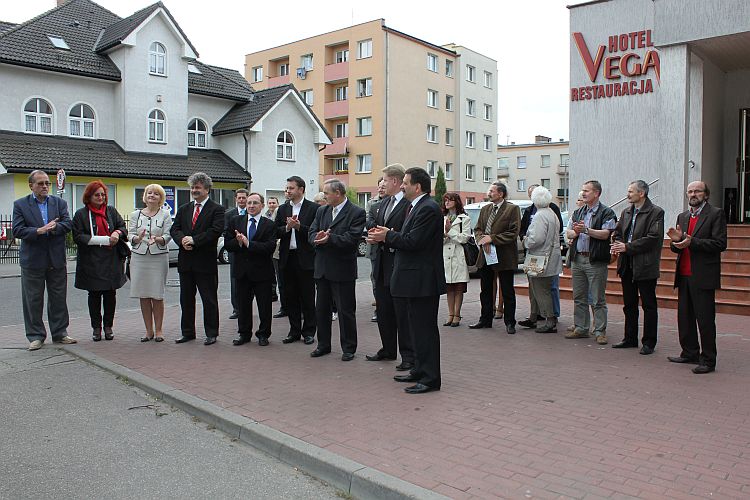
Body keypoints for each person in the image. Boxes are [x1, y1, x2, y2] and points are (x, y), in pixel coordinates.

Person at [369, 167, 446, 394]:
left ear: (417, 187)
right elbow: (407, 237)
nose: (402, 186)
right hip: (413, 280)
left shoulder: (428, 208)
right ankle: (419, 370)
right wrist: (389, 233)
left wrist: (387, 236)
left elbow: (413, 241)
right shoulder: (416, 206)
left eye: (405, 183)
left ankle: (430, 378)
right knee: (415, 329)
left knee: (425, 330)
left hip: (423, 281)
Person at [667, 181, 727, 374]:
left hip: (703, 275)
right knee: (684, 318)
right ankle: (689, 352)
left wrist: (691, 242)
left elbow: (720, 244)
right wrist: (676, 242)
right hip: (684, 274)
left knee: (705, 320)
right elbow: (677, 246)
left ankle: (708, 360)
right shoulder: (683, 216)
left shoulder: (715, 214)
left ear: (706, 194)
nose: (693, 194)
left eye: (697, 191)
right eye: (690, 191)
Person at [12, 170, 76, 350]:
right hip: (33, 261)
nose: (45, 186)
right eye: (40, 183)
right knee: (33, 299)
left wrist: (54, 227)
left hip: (56, 259)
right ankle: (35, 336)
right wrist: (38, 231)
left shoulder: (59, 203)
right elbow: (17, 230)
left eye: (47, 183)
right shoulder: (20, 205)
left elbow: (68, 224)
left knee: (58, 298)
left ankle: (60, 333)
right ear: (31, 186)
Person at [308, 179, 366, 360]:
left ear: (338, 193)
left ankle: (349, 348)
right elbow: (311, 232)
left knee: (345, 310)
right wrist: (316, 238)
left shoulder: (356, 212)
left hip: (342, 270)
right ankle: (323, 345)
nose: (324, 196)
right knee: (321, 310)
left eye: (326, 193)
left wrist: (329, 239)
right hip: (322, 268)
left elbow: (352, 239)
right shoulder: (322, 210)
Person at [365, 164, 415, 371]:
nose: (382, 184)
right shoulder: (383, 203)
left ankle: (408, 356)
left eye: (385, 180)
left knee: (402, 313)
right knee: (383, 310)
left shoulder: (409, 205)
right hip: (381, 264)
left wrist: (387, 236)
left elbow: (406, 234)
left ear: (395, 181)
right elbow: (375, 225)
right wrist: (375, 235)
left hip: (398, 265)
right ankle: (387, 349)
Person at [170, 172, 225, 345]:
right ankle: (187, 332)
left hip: (205, 262)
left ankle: (211, 333)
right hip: (186, 262)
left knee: (209, 299)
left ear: (207, 189)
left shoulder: (217, 209)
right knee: (186, 300)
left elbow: (215, 231)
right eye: (192, 187)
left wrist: (194, 240)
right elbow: (174, 229)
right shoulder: (184, 208)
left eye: (198, 187)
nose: (194, 190)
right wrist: (182, 240)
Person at [610, 180, 665, 354]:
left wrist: (627, 247)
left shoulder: (656, 212)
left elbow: (653, 238)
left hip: (645, 265)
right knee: (629, 304)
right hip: (627, 264)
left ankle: (649, 342)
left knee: (649, 305)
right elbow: (618, 232)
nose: (627, 195)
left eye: (630, 191)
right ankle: (630, 338)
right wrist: (617, 243)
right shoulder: (626, 211)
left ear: (641, 193)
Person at [72, 181, 128, 341]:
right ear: (89, 196)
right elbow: (78, 236)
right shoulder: (81, 214)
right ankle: (96, 328)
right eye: (97, 195)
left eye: (103, 194)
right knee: (94, 295)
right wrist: (101, 239)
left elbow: (122, 227)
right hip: (92, 261)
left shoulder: (111, 211)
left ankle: (108, 326)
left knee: (110, 295)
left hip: (111, 260)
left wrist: (117, 233)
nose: (100, 197)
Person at [565, 180, 617, 345]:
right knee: (579, 296)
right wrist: (575, 233)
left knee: (597, 298)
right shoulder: (578, 212)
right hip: (578, 258)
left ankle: (600, 331)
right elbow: (569, 233)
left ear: (596, 193)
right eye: (583, 190)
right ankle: (581, 328)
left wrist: (586, 230)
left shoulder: (607, 212)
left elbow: (606, 234)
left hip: (595, 260)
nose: (583, 193)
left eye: (587, 191)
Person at [225, 193, 277, 346]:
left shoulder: (269, 224)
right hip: (242, 272)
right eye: (249, 203)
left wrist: (249, 244)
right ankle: (244, 334)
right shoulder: (236, 221)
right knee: (243, 305)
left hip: (262, 272)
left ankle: (263, 334)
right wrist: (239, 242)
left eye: (255, 203)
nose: (251, 206)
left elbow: (269, 247)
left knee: (264, 306)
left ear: (262, 205)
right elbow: (227, 244)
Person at [469, 181, 521, 334]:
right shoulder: (485, 209)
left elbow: (513, 232)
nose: (489, 193)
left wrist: (492, 238)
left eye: (492, 191)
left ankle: (510, 322)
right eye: (489, 191)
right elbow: (478, 228)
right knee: (485, 289)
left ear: (501, 194)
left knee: (507, 290)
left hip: (504, 256)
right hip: (486, 255)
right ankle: (485, 319)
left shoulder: (512, 209)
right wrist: (482, 239)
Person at [276, 176, 318, 345]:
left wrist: (299, 227)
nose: (288, 191)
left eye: (291, 188)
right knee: (290, 296)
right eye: (287, 188)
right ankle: (294, 331)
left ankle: (309, 331)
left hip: (306, 258)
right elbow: (275, 231)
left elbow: (316, 232)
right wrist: (287, 228)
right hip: (287, 258)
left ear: (301, 189)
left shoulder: (313, 208)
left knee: (307, 296)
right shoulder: (282, 209)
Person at [128, 184, 172, 342]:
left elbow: (168, 235)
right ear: (145, 196)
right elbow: (130, 234)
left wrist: (159, 239)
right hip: (139, 257)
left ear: (161, 198)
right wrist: (137, 238)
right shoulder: (135, 214)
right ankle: (148, 331)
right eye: (149, 193)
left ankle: (159, 330)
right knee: (144, 295)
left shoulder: (165, 214)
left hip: (158, 257)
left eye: (156, 194)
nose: (152, 196)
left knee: (157, 295)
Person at [518, 183, 564, 329]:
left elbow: (536, 239)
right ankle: (538, 317)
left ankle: (549, 320)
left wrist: (525, 241)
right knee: (545, 289)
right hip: (551, 256)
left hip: (540, 257)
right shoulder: (551, 213)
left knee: (541, 291)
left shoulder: (540, 215)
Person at [441, 193, 471, 327]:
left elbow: (464, 238)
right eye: (445, 200)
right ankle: (450, 314)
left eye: (450, 200)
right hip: (445, 254)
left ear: (456, 202)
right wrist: (444, 235)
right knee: (449, 287)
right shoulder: (442, 218)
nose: (447, 202)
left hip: (458, 254)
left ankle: (457, 314)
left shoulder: (464, 218)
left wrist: (449, 232)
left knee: (458, 287)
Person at [225, 189, 248, 320]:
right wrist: (236, 240)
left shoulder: (252, 212)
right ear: (235, 199)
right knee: (235, 280)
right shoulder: (229, 214)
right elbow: (226, 232)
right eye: (239, 198)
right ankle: (236, 308)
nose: (241, 200)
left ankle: (246, 307)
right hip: (235, 251)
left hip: (250, 250)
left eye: (244, 198)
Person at [366, 179, 386, 322]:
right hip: (374, 247)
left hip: (390, 244)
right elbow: (369, 222)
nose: (381, 189)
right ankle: (379, 307)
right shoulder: (372, 203)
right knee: (375, 277)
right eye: (379, 187)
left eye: (383, 186)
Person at [265, 196, 282, 305]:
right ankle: (272, 293)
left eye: (273, 203)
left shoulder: (279, 214)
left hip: (277, 249)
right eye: (270, 203)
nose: (271, 205)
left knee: (279, 274)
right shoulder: (265, 216)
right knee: (270, 273)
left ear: (277, 204)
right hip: (268, 249)